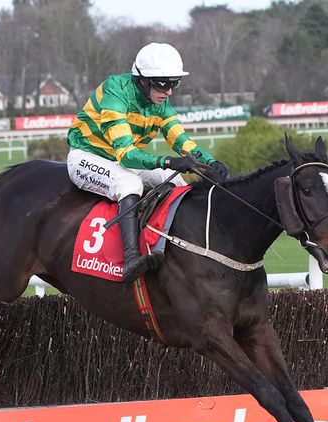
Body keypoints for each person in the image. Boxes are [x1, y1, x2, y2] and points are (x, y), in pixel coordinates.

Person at [66, 42, 230, 284]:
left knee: (176, 183)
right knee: (130, 183)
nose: (169, 91)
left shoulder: (159, 100)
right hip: (87, 157)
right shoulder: (115, 92)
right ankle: (131, 258)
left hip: (120, 159)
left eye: (174, 83)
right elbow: (125, 154)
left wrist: (210, 162)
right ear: (142, 80)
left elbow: (179, 139)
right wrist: (167, 160)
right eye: (164, 84)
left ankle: (176, 248)